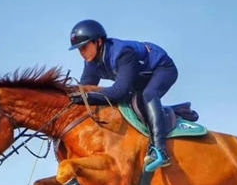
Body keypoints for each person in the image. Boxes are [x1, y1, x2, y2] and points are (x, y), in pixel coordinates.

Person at [68, 19, 178, 172]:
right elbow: (85, 89)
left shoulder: (122, 53)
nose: (82, 52)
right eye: (79, 49)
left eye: (84, 46)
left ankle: (160, 150)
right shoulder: (91, 63)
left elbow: (119, 92)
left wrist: (89, 97)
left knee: (149, 94)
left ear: (98, 42)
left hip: (162, 69)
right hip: (139, 78)